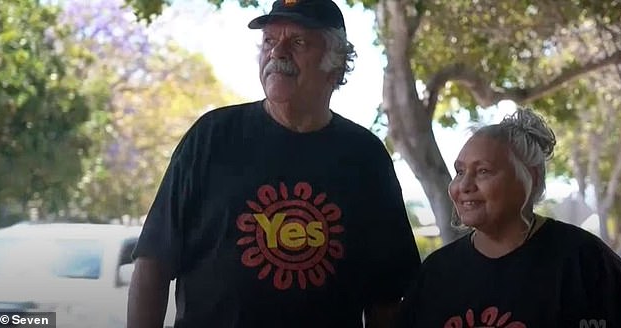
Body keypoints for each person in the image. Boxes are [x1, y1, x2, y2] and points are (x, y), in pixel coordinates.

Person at [127, 0, 421, 327]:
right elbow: (153, 262)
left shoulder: (366, 157)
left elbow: (387, 297)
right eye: (269, 41)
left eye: (297, 43)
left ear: (335, 67)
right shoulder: (211, 138)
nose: (277, 52)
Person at [397, 109, 621, 328]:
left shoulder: (583, 261)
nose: (464, 185)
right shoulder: (436, 273)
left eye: (483, 171)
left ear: (532, 178)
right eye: (460, 172)